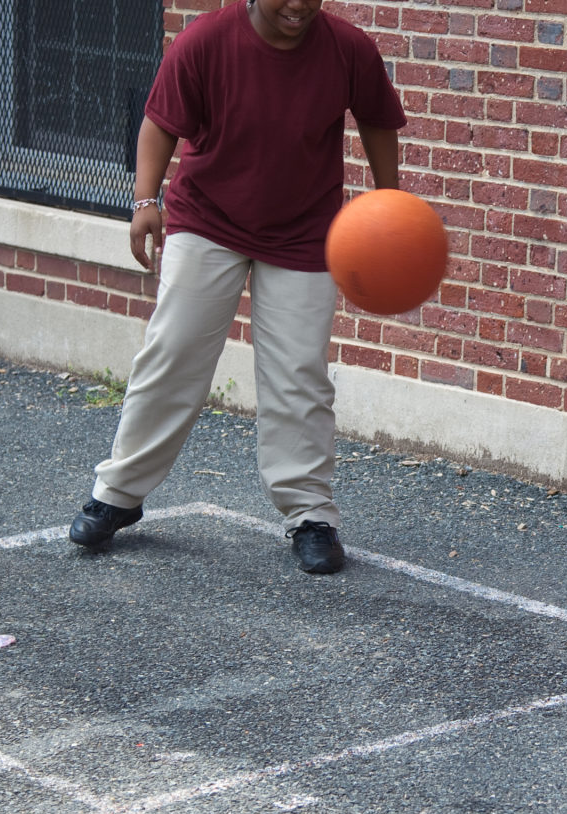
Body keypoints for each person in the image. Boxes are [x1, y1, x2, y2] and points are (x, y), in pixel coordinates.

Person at [68, 0, 407, 573]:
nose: (298, 5)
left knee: (299, 373)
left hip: (304, 230)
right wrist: (145, 202)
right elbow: (159, 122)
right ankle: (118, 494)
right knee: (172, 352)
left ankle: (310, 516)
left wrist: (389, 203)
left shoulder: (348, 49)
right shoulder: (206, 40)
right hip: (209, 219)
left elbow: (377, 119)